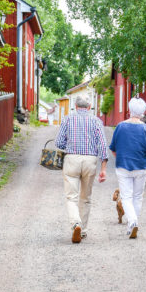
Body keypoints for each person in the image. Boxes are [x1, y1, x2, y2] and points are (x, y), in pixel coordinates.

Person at [55, 95, 108, 243]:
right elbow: (103, 145)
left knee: (71, 197)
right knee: (86, 197)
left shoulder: (67, 119)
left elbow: (59, 142)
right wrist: (103, 168)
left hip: (71, 159)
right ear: (89, 107)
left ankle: (75, 224)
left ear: (75, 107)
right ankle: (83, 231)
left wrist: (70, 146)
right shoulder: (96, 121)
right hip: (90, 160)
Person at [109, 97, 146, 239]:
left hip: (123, 166)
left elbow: (113, 148)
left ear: (129, 110)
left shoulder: (120, 126)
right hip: (141, 166)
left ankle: (132, 222)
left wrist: (121, 156)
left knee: (126, 197)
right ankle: (133, 224)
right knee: (137, 196)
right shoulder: (145, 129)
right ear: (143, 112)